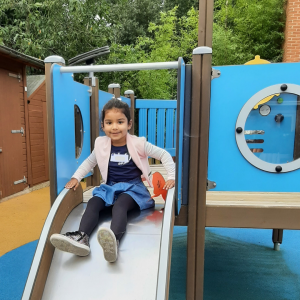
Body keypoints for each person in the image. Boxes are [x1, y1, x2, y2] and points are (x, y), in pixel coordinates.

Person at [50, 98, 175, 263]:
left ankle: (113, 241)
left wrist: (171, 177)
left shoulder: (139, 144)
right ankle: (82, 237)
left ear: (129, 124)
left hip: (132, 188)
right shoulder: (101, 144)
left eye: (120, 122)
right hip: (109, 188)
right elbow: (89, 162)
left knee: (120, 205)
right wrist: (76, 177)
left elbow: (164, 155)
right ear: (103, 126)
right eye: (109, 123)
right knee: (93, 203)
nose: (114, 127)